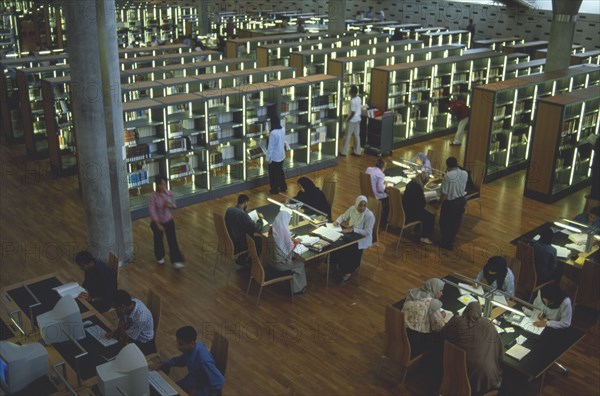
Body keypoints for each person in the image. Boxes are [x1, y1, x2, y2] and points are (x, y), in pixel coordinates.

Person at [443, 302, 503, 395]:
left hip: (458, 374)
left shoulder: (457, 321)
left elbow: (444, 335)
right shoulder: (488, 324)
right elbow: (499, 351)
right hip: (485, 380)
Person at [153, 326, 224, 396]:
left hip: (199, 389)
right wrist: (163, 363)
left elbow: (219, 382)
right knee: (166, 390)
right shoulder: (190, 350)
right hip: (190, 382)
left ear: (192, 343)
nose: (177, 346)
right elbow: (182, 360)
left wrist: (199, 393)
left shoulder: (204, 360)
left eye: (181, 344)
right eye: (177, 342)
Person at [331, 195, 375, 284]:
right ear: (356, 204)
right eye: (360, 205)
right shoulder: (352, 209)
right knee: (336, 243)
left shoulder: (369, 215)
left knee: (350, 249)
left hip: (362, 238)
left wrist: (353, 229)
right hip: (351, 233)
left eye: (364, 206)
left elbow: (367, 232)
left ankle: (347, 272)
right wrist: (337, 221)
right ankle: (334, 266)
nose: (362, 208)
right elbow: (343, 216)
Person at [402, 278, 446, 357]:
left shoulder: (412, 293)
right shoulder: (432, 303)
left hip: (402, 333)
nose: (442, 294)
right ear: (434, 289)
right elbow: (438, 327)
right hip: (416, 341)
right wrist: (442, 316)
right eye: (441, 291)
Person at [149, 175, 185, 269]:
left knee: (172, 240)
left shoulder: (169, 194)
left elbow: (174, 205)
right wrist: (157, 224)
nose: (163, 186)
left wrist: (170, 206)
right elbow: (152, 211)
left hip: (168, 220)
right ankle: (160, 256)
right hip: (158, 222)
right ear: (157, 185)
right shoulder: (153, 196)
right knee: (158, 240)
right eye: (161, 184)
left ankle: (176, 259)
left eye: (164, 184)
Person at [268, 211, 308, 295]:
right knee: (300, 264)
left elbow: (280, 242)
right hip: (281, 264)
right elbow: (290, 247)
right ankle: (297, 290)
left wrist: (290, 239)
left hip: (271, 260)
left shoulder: (272, 228)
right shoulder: (283, 231)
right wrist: (296, 242)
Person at [108, 290, 155, 355]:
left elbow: (128, 338)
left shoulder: (141, 318)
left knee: (116, 353)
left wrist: (121, 323)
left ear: (122, 307)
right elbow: (126, 323)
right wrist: (116, 332)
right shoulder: (132, 302)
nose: (115, 310)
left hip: (143, 343)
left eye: (115, 307)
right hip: (131, 330)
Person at [224, 194, 264, 266]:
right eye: (247, 203)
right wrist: (260, 219)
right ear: (245, 202)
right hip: (239, 242)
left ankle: (244, 258)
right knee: (259, 241)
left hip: (231, 237)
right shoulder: (242, 215)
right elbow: (256, 228)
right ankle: (251, 262)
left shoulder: (229, 210)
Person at [439, 157, 468, 250]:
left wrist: (439, 203)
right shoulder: (465, 173)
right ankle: (450, 241)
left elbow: (444, 193)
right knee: (455, 222)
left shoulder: (447, 176)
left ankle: (445, 242)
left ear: (447, 166)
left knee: (445, 222)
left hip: (450, 203)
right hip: (461, 201)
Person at [403, 172, 435, 245]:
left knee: (424, 213)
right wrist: (425, 200)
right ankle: (425, 237)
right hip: (411, 213)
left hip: (406, 209)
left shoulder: (411, 183)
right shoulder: (418, 188)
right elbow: (422, 204)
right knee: (430, 217)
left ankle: (416, 231)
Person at [267, 115, 287, 194]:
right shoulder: (283, 129)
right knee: (279, 172)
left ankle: (274, 189)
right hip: (281, 155)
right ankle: (283, 186)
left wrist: (268, 158)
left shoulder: (273, 133)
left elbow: (270, 147)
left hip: (274, 157)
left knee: (273, 174)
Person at [365, 158, 389, 226]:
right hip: (375, 196)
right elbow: (380, 190)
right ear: (383, 167)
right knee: (388, 199)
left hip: (367, 193)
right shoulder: (381, 174)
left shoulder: (368, 169)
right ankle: (383, 222)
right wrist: (385, 185)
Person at [340, 85, 362, 157]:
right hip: (358, 119)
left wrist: (347, 119)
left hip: (352, 120)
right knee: (357, 136)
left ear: (351, 92)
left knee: (347, 136)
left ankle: (344, 152)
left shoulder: (352, 101)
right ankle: (357, 151)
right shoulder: (359, 98)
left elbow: (353, 112)